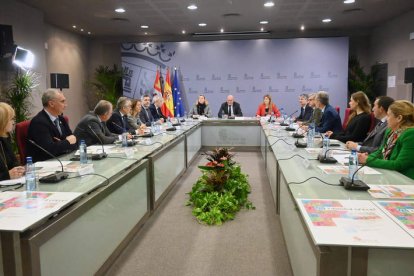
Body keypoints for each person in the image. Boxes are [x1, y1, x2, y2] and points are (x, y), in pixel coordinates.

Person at [358, 100, 414, 180]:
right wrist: (364, 157)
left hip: (404, 180)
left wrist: (368, 160)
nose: (386, 119)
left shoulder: (410, 134)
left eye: (388, 115)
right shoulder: (390, 131)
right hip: (387, 175)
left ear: (399, 118)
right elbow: (380, 152)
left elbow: (399, 165)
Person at [26, 89, 77, 162]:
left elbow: (74, 141)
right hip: (44, 165)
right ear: (51, 104)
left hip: (61, 159)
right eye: (62, 101)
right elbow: (49, 150)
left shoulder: (61, 119)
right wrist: (67, 142)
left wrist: (61, 143)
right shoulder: (39, 123)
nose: (66, 105)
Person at [0, 103, 25, 180]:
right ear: (2, 121)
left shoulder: (4, 137)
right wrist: (7, 176)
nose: (13, 122)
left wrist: (19, 169)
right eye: (11, 119)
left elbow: (12, 162)